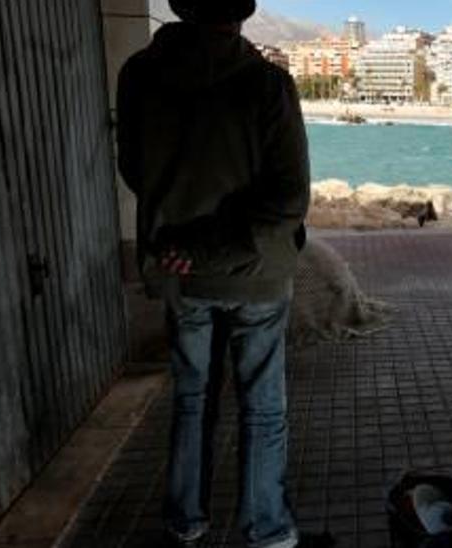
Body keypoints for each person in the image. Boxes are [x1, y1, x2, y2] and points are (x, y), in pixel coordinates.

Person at [115, 0, 310, 546]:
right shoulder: (267, 85)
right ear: (242, 15)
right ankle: (265, 527)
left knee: (191, 399)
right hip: (256, 273)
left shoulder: (138, 75)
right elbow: (289, 198)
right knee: (262, 407)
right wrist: (215, 245)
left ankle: (184, 520)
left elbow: (135, 167)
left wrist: (183, 243)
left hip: (181, 270)